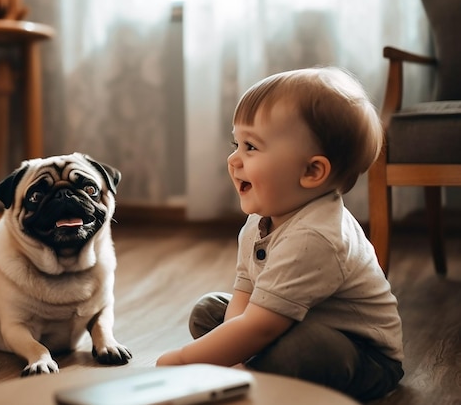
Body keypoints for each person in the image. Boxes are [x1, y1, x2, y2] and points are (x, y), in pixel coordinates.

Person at [156, 67, 404, 402]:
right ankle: (254, 370)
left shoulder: (315, 237)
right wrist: (234, 357)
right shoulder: (262, 220)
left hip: (362, 355)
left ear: (312, 171)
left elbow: (262, 326)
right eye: (236, 143)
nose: (233, 159)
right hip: (285, 320)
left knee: (300, 350)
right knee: (210, 311)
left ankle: (258, 377)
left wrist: (184, 360)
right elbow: (245, 293)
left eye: (251, 148)